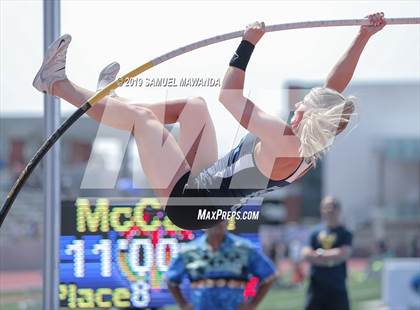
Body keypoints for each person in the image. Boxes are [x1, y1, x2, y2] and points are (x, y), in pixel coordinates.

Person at [32, 13, 385, 230]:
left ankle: (55, 83)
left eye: (302, 106)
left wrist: (248, 44)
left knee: (142, 120)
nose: (297, 107)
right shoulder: (313, 138)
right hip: (204, 187)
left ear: (310, 117)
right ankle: (113, 105)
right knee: (193, 107)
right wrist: (362, 37)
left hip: (188, 204)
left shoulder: (284, 139)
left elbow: (229, 95)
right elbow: (333, 89)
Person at [165, 221, 277, 310]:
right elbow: (171, 280)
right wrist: (183, 305)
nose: (217, 224)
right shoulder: (189, 251)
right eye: (213, 220)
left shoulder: (243, 248)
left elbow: (269, 276)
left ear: (227, 222)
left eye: (221, 219)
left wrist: (252, 305)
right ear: (204, 224)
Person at [301, 196, 353, 310]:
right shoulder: (314, 232)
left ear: (339, 210)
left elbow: (343, 254)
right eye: (326, 207)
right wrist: (331, 258)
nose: (329, 210)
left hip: (337, 287)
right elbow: (305, 253)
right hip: (316, 288)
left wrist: (319, 255)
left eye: (333, 207)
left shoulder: (345, 233)